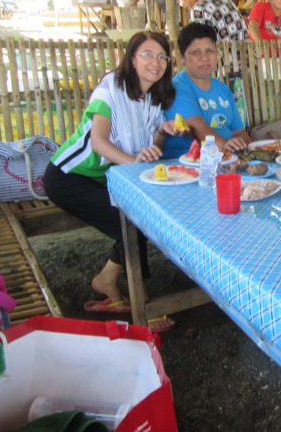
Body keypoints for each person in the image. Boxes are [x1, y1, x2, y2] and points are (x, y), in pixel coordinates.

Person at [43, 31, 181, 332]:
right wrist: (135, 163)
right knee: (131, 225)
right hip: (69, 177)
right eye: (148, 54)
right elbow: (99, 142)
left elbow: (150, 145)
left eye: (162, 56)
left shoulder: (152, 99)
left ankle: (106, 281)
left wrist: (162, 131)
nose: (156, 62)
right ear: (131, 59)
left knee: (134, 219)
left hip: (107, 176)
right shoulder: (110, 89)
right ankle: (142, 304)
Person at [163, 22, 251, 159]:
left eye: (209, 51)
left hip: (227, 158)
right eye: (196, 52)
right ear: (182, 57)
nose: (204, 58)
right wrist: (226, 148)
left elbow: (239, 132)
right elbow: (199, 130)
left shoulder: (222, 89)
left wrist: (253, 153)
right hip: (189, 163)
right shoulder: (177, 87)